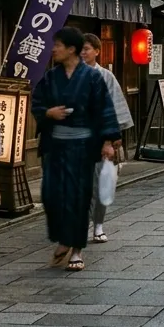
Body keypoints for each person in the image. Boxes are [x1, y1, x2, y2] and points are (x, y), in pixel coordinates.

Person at [31, 27, 122, 272]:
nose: (53, 49)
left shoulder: (92, 77)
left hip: (82, 147)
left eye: (57, 45)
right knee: (51, 195)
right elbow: (37, 102)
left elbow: (104, 109)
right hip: (56, 146)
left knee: (79, 197)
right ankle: (63, 238)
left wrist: (108, 141)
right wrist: (48, 113)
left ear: (71, 49)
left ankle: (76, 249)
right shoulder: (51, 77)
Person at [81, 33, 134, 244]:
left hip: (100, 138)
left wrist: (112, 138)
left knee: (100, 184)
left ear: (97, 51)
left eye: (86, 49)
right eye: (80, 49)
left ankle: (98, 225)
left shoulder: (106, 77)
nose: (82, 53)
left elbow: (115, 108)